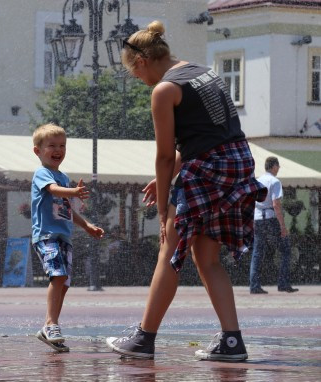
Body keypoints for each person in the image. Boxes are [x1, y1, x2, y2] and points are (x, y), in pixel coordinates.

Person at [105, 21, 266, 362]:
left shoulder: (164, 90)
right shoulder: (204, 73)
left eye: (134, 73)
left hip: (208, 169)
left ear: (143, 62)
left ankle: (143, 339)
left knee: (169, 248)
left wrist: (163, 208)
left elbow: (163, 155)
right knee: (206, 258)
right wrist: (176, 169)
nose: (138, 80)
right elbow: (208, 133)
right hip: (237, 162)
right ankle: (232, 341)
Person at [30, 123, 104, 352]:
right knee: (58, 275)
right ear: (38, 151)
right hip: (46, 236)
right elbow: (52, 190)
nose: (58, 150)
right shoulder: (43, 174)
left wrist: (87, 225)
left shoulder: (63, 177)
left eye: (62, 145)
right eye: (51, 145)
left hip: (64, 237)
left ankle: (48, 327)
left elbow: (66, 210)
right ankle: (52, 323)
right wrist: (72, 192)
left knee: (63, 284)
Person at [249, 156, 297, 294]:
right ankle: (283, 283)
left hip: (257, 218)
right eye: (278, 166)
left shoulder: (257, 180)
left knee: (257, 252)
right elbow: (276, 205)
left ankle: (254, 286)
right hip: (270, 218)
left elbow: (251, 202)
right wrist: (282, 226)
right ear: (274, 166)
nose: (279, 169)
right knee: (285, 250)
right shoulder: (275, 181)